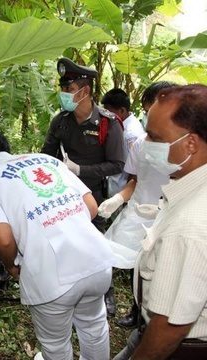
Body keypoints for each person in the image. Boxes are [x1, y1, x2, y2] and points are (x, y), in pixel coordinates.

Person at [0, 128, 114, 360]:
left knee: (56, 345)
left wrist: (12, 267)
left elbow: (3, 238)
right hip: (97, 260)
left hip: (52, 275)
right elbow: (92, 207)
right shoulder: (46, 160)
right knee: (94, 329)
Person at [114, 84, 207, 359]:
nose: (147, 145)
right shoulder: (190, 188)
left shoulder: (190, 225)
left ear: (190, 143)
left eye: (154, 137)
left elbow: (169, 328)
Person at [41, 57, 125, 316]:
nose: (64, 94)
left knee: (98, 246)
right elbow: (47, 154)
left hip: (94, 196)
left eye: (68, 89)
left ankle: (106, 293)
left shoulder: (107, 123)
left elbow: (117, 164)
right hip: (63, 196)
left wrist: (80, 171)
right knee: (66, 244)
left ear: (84, 91)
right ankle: (68, 289)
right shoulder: (61, 121)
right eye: (63, 89)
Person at [98, 82, 175, 329]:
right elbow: (135, 180)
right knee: (136, 269)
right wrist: (118, 199)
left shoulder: (187, 146)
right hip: (139, 213)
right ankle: (136, 310)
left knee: (162, 272)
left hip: (169, 218)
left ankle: (155, 319)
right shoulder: (140, 144)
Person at [101, 88, 145, 196]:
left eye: (108, 110)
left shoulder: (131, 134)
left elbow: (135, 170)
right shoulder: (119, 126)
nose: (105, 114)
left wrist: (125, 196)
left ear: (121, 111)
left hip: (122, 192)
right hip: (116, 188)